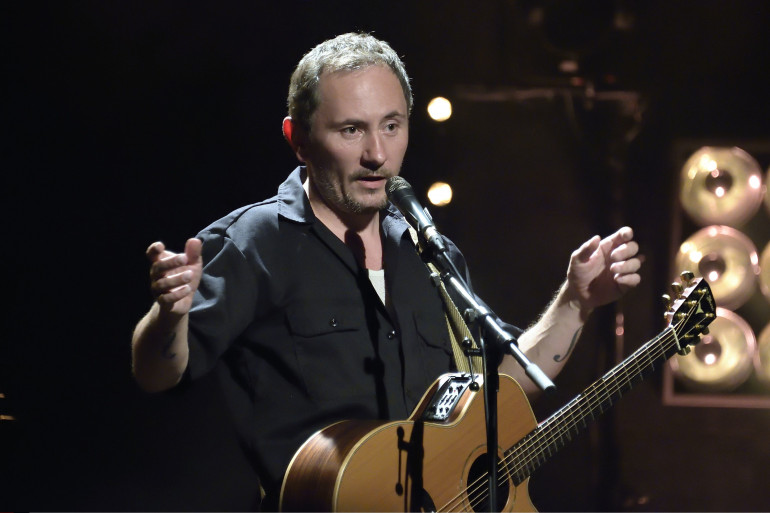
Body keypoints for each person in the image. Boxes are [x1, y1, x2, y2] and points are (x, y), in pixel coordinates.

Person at [131, 32, 641, 510]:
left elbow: (501, 389)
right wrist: (168, 315)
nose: (377, 155)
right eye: (351, 130)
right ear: (299, 139)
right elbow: (157, 373)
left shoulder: (428, 252)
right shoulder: (256, 242)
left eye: (391, 126)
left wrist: (575, 302)